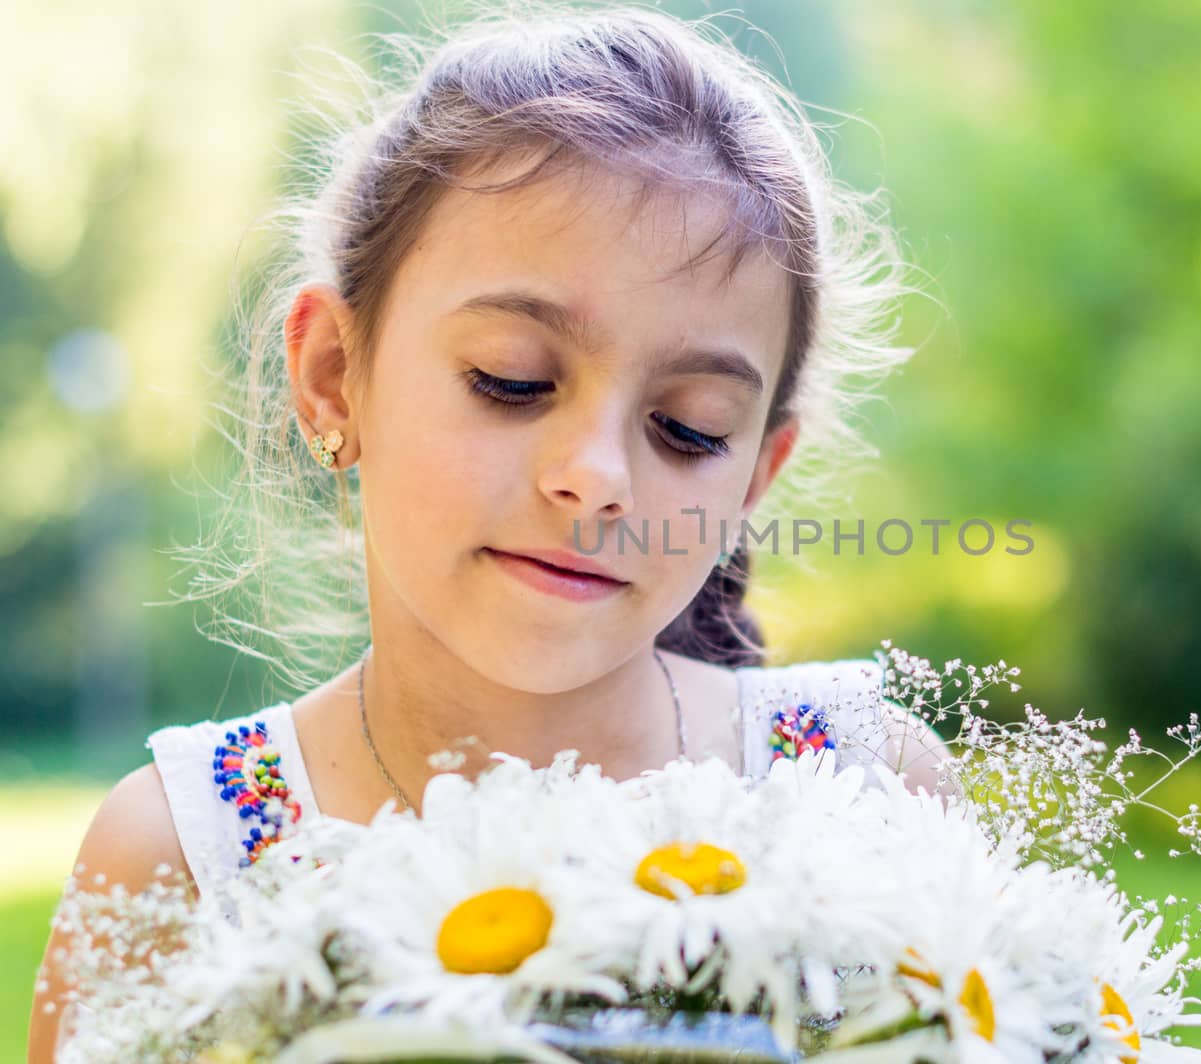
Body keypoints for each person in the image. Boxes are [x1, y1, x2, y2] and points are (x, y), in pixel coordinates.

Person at [29, 5, 952, 1058]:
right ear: (334, 374)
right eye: (510, 380)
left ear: (754, 474)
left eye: (687, 430)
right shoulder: (181, 855)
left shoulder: (866, 793)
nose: (595, 478)